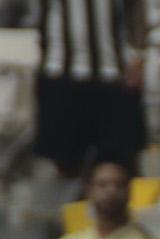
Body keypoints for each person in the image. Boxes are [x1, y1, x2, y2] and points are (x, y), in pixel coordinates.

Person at [34, 0, 147, 178]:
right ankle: (71, 204)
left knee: (120, 164)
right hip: (61, 73)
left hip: (114, 73)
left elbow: (137, 9)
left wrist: (138, 56)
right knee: (66, 163)